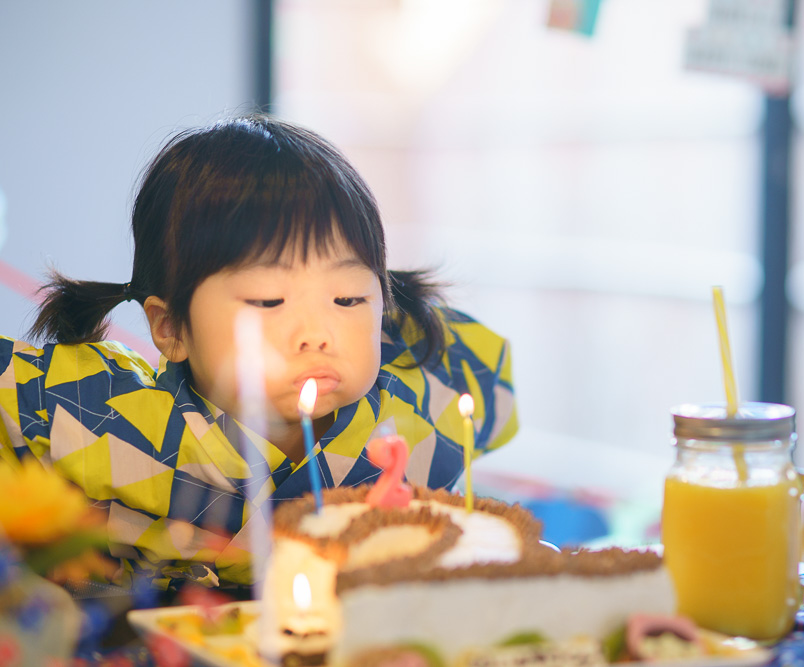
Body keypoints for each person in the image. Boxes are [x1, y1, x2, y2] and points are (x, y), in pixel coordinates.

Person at [0, 115, 518, 591]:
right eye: (269, 301)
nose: (317, 334)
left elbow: (493, 383)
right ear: (170, 326)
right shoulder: (97, 415)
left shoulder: (424, 410)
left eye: (348, 299)